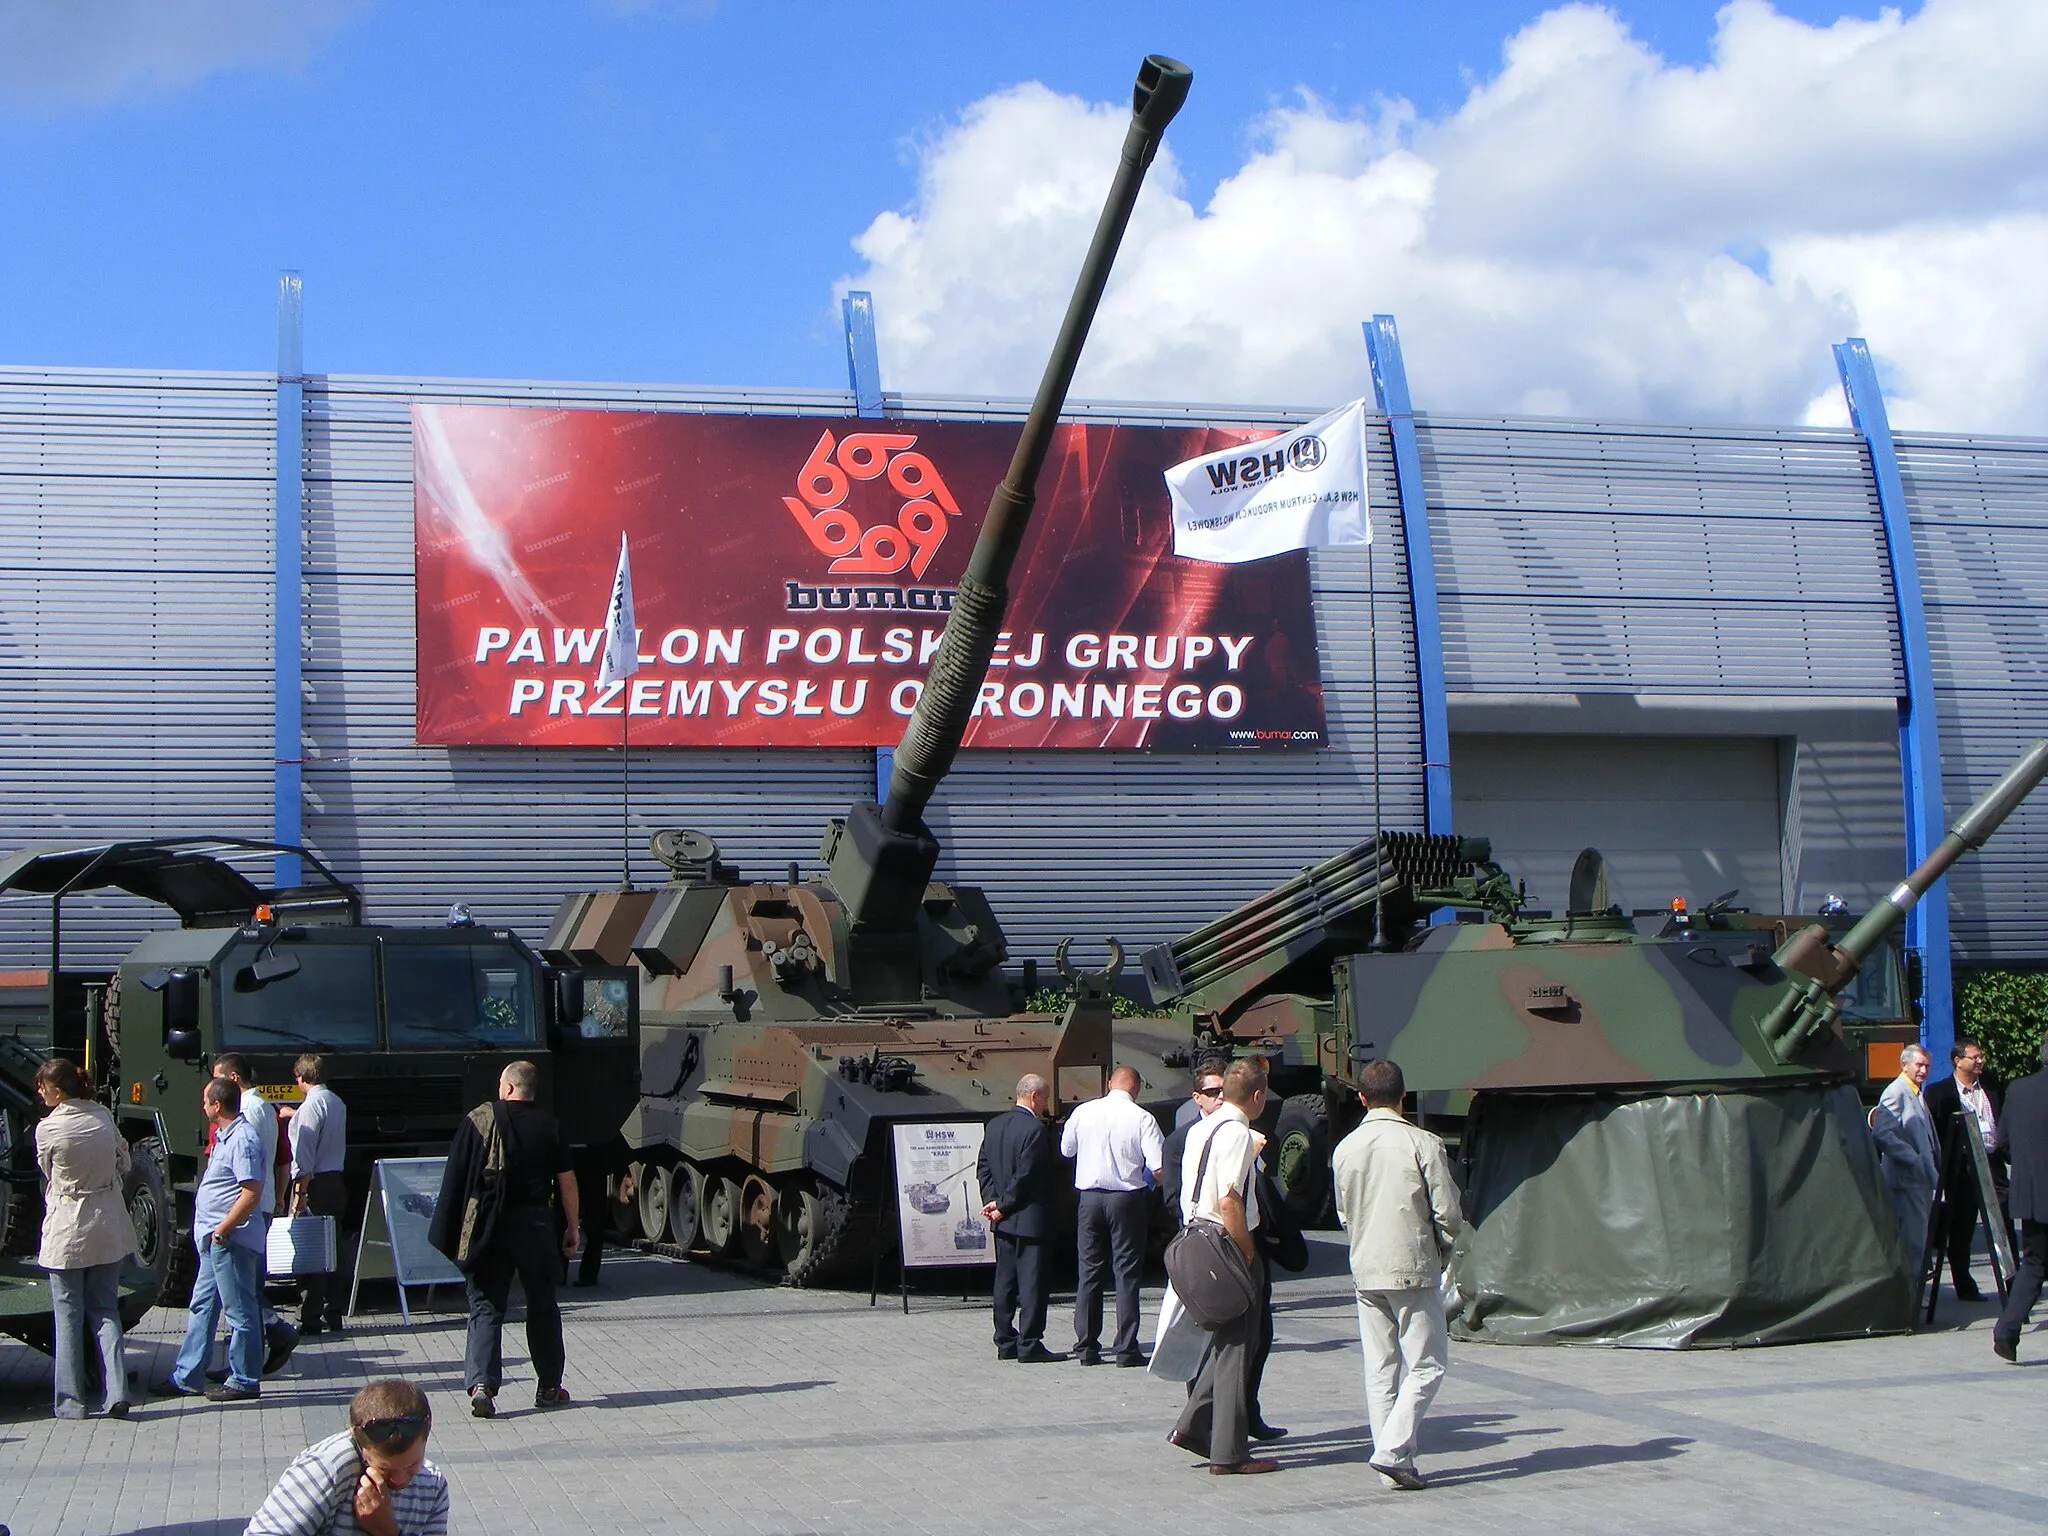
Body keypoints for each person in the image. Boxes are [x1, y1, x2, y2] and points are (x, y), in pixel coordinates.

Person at [1332, 1058, 1464, 1492]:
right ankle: (1391, 1451)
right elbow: (1447, 1211)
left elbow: (1344, 1214)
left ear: (1362, 1097)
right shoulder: (1422, 1142)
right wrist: (1445, 1245)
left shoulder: (1345, 1148)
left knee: (1380, 1368)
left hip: (1365, 1266)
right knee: (1426, 1365)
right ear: (1404, 1096)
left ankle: (1395, 1459)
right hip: (1412, 1265)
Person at [432, 1060, 578, 1417]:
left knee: (485, 1305)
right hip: (537, 1225)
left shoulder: (479, 1121)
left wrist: (450, 1228)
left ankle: (482, 1384)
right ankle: (548, 1386)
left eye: (501, 1084)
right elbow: (567, 1182)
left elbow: (456, 1175)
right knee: (542, 1304)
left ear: (509, 1088)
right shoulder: (550, 1126)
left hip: (490, 1227)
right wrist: (572, 1227)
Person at [1168, 1058, 1277, 1476]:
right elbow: (1231, 1200)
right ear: (1256, 1096)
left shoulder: (1200, 1128)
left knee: (1227, 1341)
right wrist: (1247, 1253)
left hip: (1195, 1235)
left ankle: (1194, 1426)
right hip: (1226, 1242)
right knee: (1237, 1347)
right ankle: (1228, 1454)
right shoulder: (1236, 1133)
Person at [32, 1057, 138, 1419]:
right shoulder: (103, 1118)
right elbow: (123, 1163)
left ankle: (71, 1402)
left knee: (67, 1315)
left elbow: (47, 1174)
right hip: (108, 1222)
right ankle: (117, 1392)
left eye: (43, 1087)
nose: (40, 1093)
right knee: (106, 1310)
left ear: (58, 1092)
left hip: (67, 1227)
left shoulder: (48, 1129)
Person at [158, 1076, 266, 1402]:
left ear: (216, 1105)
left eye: (205, 1101)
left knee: (239, 1310)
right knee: (202, 1305)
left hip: (229, 1239)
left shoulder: (242, 1139)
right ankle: (187, 1376)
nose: (202, 1106)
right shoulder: (225, 1136)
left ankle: (245, 1379)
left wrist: (223, 1229)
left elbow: (251, 1192)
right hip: (214, 1238)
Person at [243, 1378, 449, 1535]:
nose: (400, 1479)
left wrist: (387, 1530)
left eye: (413, 1464)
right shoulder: (327, 1466)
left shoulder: (432, 1483)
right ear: (357, 1439)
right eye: (384, 1470)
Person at [1060, 1064, 1163, 1367]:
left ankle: (1087, 1347)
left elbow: (1066, 1150)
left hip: (1089, 1199)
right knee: (1126, 1273)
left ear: (1108, 1083)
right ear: (1137, 1088)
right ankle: (1126, 1347)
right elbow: (1157, 1165)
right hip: (1127, 1199)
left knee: (1089, 1271)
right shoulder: (1143, 1118)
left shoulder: (1083, 1112)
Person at [212, 1054, 300, 1373]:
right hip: (258, 1205)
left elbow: (241, 1166)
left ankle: (273, 1333)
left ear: (233, 1080)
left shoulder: (243, 1113)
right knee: (247, 1284)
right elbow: (281, 1158)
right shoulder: (267, 1108)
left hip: (241, 1209)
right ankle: (255, 1348)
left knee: (241, 1288)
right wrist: (278, 1196)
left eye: (216, 1079)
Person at [977, 1073, 1060, 1362]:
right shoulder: (1035, 1130)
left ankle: (1004, 1340)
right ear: (1035, 1096)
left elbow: (983, 1167)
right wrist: (1004, 1204)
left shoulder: (995, 1125)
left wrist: (992, 1202)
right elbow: (1027, 1175)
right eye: (1046, 1098)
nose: (1046, 1105)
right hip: (1030, 1220)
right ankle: (1030, 1343)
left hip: (1003, 1222)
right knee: (1033, 1283)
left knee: (1005, 1282)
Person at [1924, 1037, 2006, 1300]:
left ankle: (2012, 1279)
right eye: (1975, 1057)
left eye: (1981, 1056)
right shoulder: (1939, 1093)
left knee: (2003, 1218)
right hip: (1962, 1168)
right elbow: (1935, 1132)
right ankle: (1964, 1283)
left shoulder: (1992, 1086)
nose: (1980, 1060)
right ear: (1958, 1061)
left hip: (1992, 1162)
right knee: (1962, 1226)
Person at [1992, 1036, 2048, 1362]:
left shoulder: (2018, 1089)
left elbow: (2003, 1142)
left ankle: (2006, 1332)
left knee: (2034, 1265)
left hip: (2031, 1195)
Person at [288, 1054, 350, 1335]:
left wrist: (299, 1194)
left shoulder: (311, 1107)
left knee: (311, 1253)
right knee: (333, 1250)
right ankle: (334, 1311)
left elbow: (305, 1152)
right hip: (336, 1179)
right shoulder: (337, 1102)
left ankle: (309, 1316)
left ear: (301, 1077)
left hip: (315, 1183)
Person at [1871, 1044, 1941, 1279]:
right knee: (1913, 1243)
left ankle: (1916, 1294)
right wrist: (1912, 1158)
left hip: (1919, 1180)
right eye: (1919, 1065)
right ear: (1904, 1065)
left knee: (1920, 1241)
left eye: (1927, 1066)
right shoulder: (1896, 1092)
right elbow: (1881, 1133)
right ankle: (1912, 1299)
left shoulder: (1916, 1091)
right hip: (1905, 1181)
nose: (1923, 1070)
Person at [1159, 1062, 1228, 1223]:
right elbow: (1172, 1198)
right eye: (1212, 1092)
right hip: (1201, 1229)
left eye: (1226, 1090)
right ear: (1197, 1098)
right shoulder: (1178, 1141)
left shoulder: (1240, 1131)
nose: (1221, 1096)